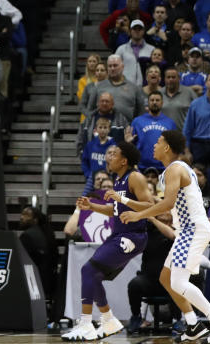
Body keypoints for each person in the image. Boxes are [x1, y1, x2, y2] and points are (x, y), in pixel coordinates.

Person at [119, 130, 210, 343]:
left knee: (179, 283)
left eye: (158, 142)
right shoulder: (173, 171)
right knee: (166, 278)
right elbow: (165, 203)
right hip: (188, 230)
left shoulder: (175, 169)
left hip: (192, 230)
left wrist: (139, 215)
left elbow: (168, 204)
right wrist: (129, 201)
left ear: (166, 147)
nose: (154, 145)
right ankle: (193, 325)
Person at [63, 142, 152, 340]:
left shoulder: (135, 177)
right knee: (93, 275)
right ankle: (108, 319)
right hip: (119, 234)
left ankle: (86, 323)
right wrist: (91, 206)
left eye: (114, 154)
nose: (109, 157)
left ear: (124, 160)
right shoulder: (118, 179)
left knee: (88, 269)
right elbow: (114, 210)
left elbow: (150, 205)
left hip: (133, 235)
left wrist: (123, 201)